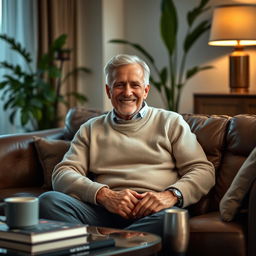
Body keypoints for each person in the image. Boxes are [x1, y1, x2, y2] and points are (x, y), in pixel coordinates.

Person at [39, 54, 215, 237]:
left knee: (172, 218)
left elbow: (203, 170)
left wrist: (170, 195)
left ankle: (103, 246)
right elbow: (63, 173)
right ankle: (121, 245)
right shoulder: (91, 128)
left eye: (135, 85)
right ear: (109, 91)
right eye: (120, 85)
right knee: (48, 202)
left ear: (146, 90)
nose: (127, 92)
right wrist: (104, 195)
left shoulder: (170, 122)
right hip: (102, 211)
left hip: (153, 212)